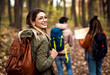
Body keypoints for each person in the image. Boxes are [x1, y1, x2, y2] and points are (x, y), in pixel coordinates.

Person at [19, 9, 58, 75]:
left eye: (45, 17)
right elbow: (41, 66)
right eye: (40, 18)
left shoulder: (28, 35)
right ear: (33, 22)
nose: (45, 20)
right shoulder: (42, 39)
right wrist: (52, 56)